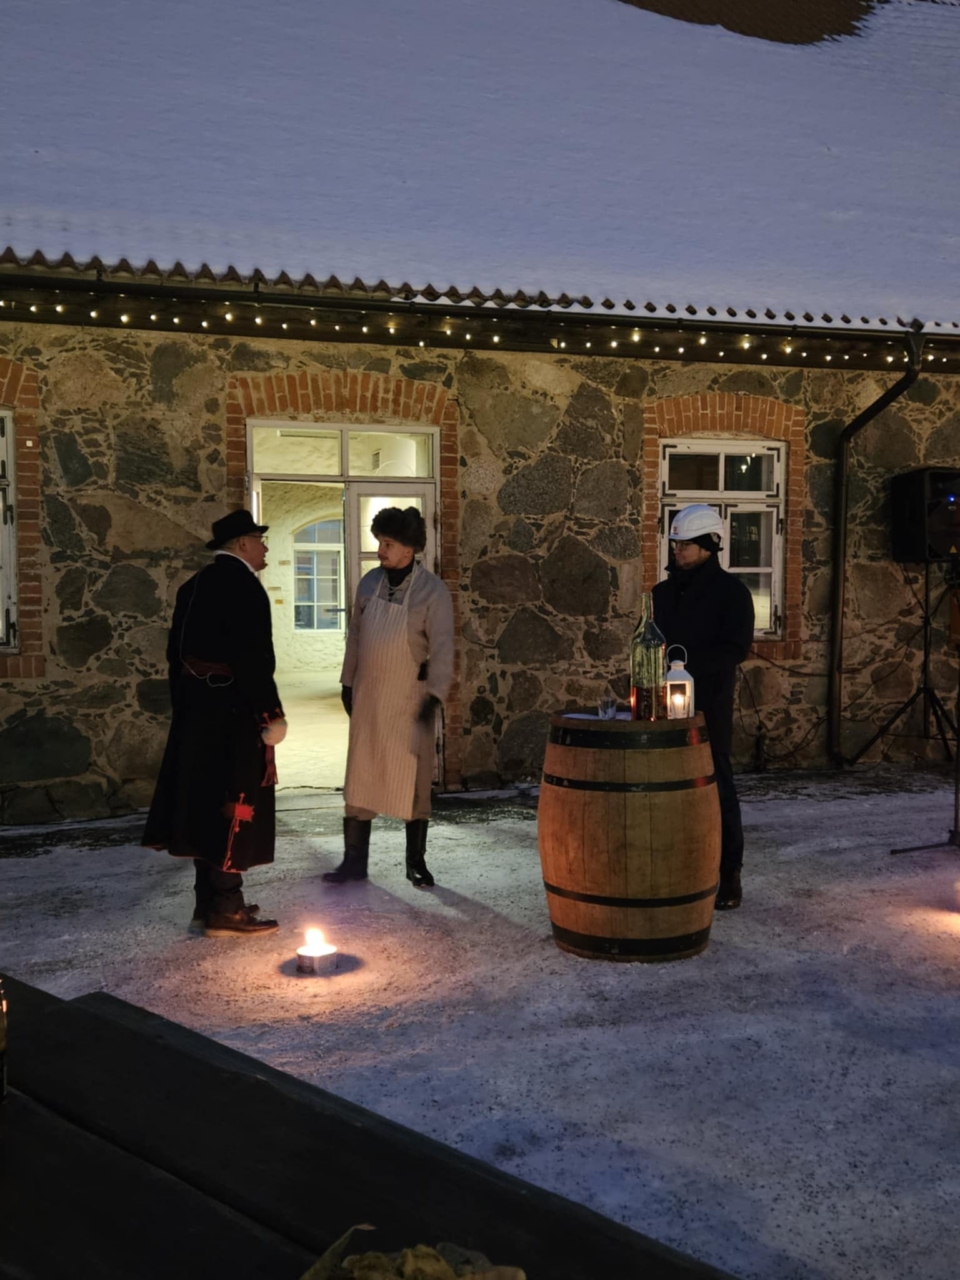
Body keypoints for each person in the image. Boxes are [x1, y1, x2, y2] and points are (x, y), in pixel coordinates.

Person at [142, 509, 287, 936]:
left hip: (199, 715)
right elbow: (251, 659)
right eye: (259, 539)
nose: (265, 547)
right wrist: (270, 714)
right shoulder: (242, 586)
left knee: (206, 803)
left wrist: (188, 709)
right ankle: (226, 908)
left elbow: (175, 658)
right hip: (233, 717)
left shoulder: (195, 585)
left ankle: (206, 903)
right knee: (233, 804)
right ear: (242, 544)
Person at [323, 506, 454, 888]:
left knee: (412, 780)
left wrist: (435, 695)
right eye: (380, 542)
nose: (380, 550)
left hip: (410, 700)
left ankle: (415, 862)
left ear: (409, 548)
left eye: (388, 544)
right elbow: (356, 637)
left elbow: (443, 647)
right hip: (369, 697)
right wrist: (348, 683)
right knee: (361, 774)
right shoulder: (369, 584)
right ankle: (353, 862)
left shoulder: (432, 591)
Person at [652, 504, 754, 910]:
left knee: (718, 787)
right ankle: (672, 865)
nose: (678, 551)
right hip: (664, 703)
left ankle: (729, 873)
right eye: (676, 544)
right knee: (664, 787)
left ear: (709, 545)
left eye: (686, 545)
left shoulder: (732, 593)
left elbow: (736, 648)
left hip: (708, 703)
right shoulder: (662, 594)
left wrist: (687, 668)